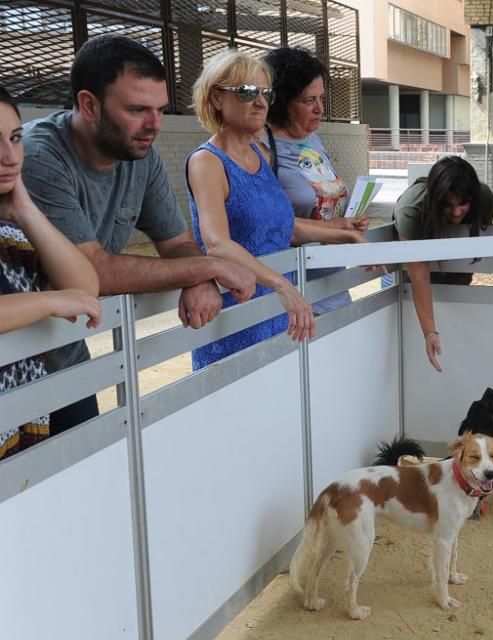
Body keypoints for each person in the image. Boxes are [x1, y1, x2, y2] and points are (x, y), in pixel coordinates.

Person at [20, 35, 257, 434]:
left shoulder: (138, 155)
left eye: (160, 109)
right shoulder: (38, 155)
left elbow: (177, 243)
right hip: (15, 363)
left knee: (84, 472)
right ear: (89, 105)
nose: (155, 125)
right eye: (137, 109)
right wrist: (208, 266)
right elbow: (92, 270)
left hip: (64, 354)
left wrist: (198, 274)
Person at [187, 50, 373, 368]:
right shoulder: (207, 161)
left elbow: (286, 226)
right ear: (217, 98)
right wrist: (282, 284)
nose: (261, 102)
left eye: (266, 93)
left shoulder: (261, 155)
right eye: (247, 92)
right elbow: (216, 243)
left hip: (278, 314)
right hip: (238, 315)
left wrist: (342, 232)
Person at [0, 84, 102, 459]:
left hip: (23, 426)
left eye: (15, 138)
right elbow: (67, 296)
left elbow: (85, 287)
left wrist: (25, 210)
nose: (10, 157)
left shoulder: (11, 228)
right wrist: (48, 301)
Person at [262, 46, 367, 314]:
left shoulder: (313, 141)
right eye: (308, 100)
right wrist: (337, 229)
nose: (319, 108)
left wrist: (347, 221)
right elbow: (272, 224)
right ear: (281, 101)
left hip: (332, 286)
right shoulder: (262, 147)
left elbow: (323, 204)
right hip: (292, 296)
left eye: (321, 98)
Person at [393, 155, 493, 372]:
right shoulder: (411, 208)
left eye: (463, 204)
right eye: (448, 205)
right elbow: (418, 276)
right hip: (408, 276)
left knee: (454, 331)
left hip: (454, 269)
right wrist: (430, 332)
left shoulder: (484, 198)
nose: (457, 212)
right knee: (406, 341)